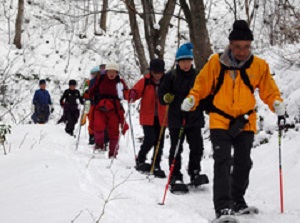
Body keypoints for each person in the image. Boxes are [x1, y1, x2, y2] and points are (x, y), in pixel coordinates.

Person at [181, 20, 285, 220]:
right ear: (230, 44)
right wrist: (192, 100)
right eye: (237, 47)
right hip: (220, 119)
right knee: (222, 161)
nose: (241, 51)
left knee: (243, 162)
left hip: (245, 120)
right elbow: (201, 86)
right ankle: (223, 207)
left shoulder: (259, 66)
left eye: (246, 47)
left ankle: (237, 199)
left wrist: (277, 103)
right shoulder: (216, 62)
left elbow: (269, 91)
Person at [159, 43, 208, 193]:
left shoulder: (199, 76)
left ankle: (194, 171)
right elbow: (161, 95)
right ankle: (175, 175)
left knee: (197, 147)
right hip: (176, 118)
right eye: (182, 61)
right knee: (176, 148)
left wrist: (208, 107)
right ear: (177, 62)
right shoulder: (170, 76)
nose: (186, 64)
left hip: (195, 118)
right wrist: (166, 97)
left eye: (188, 61)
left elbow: (205, 94)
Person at [127, 59, 168, 178]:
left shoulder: (167, 81)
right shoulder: (145, 81)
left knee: (159, 141)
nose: (157, 75)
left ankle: (156, 163)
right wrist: (132, 94)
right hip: (147, 116)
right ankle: (141, 158)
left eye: (159, 72)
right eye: (155, 72)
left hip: (162, 116)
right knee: (150, 138)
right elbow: (135, 91)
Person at [88, 62, 129, 158]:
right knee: (98, 126)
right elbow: (93, 90)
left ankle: (113, 153)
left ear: (117, 72)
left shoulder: (120, 82)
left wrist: (129, 95)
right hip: (101, 106)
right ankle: (99, 145)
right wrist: (88, 94)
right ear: (106, 72)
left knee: (114, 131)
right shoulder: (101, 79)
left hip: (114, 109)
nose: (111, 74)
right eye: (110, 71)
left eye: (114, 72)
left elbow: (125, 93)